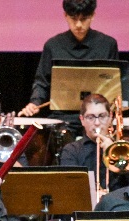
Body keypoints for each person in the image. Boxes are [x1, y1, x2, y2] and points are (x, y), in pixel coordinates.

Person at [19, 0, 119, 130]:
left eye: (84, 19)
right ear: (65, 16)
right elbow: (42, 82)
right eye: (73, 19)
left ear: (93, 16)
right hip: (62, 118)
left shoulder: (108, 44)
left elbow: (113, 86)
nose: (78, 25)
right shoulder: (53, 45)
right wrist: (34, 103)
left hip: (96, 118)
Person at [57, 93, 129, 194]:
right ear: (82, 120)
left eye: (102, 116)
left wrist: (114, 155)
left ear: (110, 117)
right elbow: (69, 188)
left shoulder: (124, 150)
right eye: (91, 117)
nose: (97, 123)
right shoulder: (71, 150)